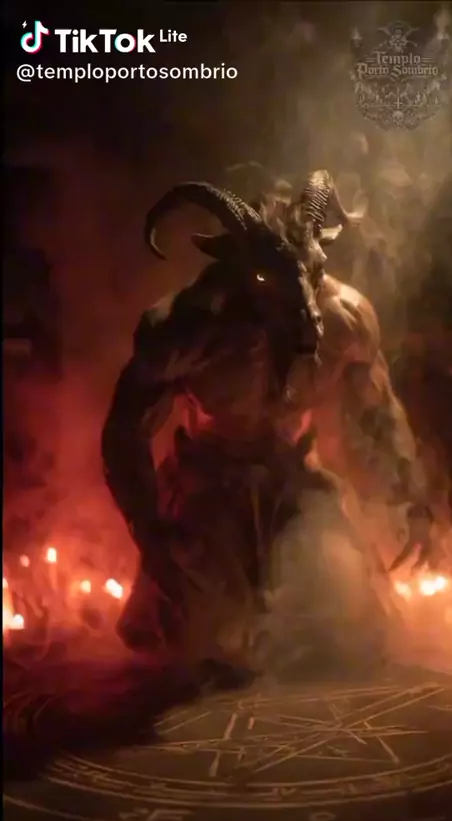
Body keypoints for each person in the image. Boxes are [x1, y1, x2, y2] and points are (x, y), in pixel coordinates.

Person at [101, 172, 435, 681]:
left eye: (310, 274)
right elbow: (126, 430)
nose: (302, 308)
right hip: (208, 486)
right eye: (271, 284)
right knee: (207, 639)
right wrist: (150, 530)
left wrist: (415, 498)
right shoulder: (188, 327)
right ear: (239, 274)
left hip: (296, 485)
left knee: (341, 615)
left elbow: (380, 409)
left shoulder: (344, 318)